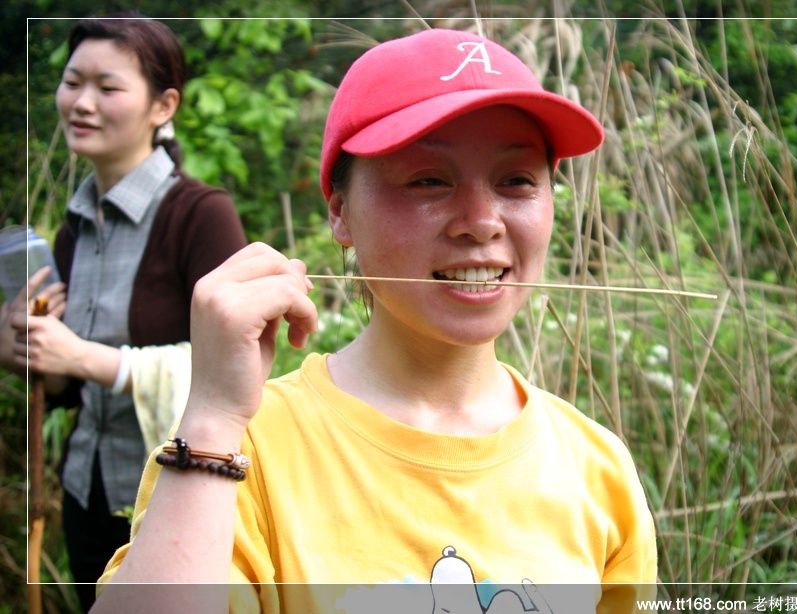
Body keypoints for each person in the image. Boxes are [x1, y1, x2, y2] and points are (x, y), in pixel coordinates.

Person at [93, 27, 657, 613]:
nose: (481, 220)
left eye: (516, 180)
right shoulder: (237, 450)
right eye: (428, 181)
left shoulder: (599, 469)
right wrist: (211, 417)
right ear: (340, 212)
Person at [3, 15, 247, 612]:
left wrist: (81, 356)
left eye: (108, 88)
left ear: (163, 106)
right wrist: (29, 350)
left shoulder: (201, 215)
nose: (81, 103)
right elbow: (65, 388)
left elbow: (240, 364)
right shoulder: (75, 228)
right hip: (88, 490)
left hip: (180, 491)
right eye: (71, 82)